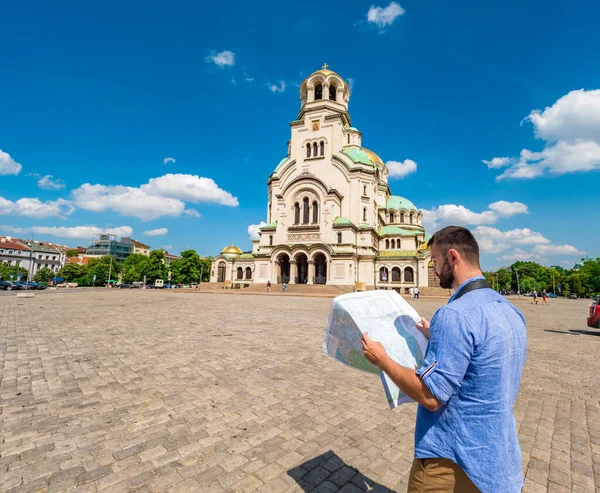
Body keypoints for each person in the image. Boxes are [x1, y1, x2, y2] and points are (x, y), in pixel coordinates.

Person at [361, 226, 527, 493]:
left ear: (452, 257)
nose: (435, 269)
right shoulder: (509, 309)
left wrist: (383, 360)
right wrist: (435, 335)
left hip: (452, 461)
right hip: (497, 455)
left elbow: (430, 396)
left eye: (435, 261)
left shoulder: (454, 315)